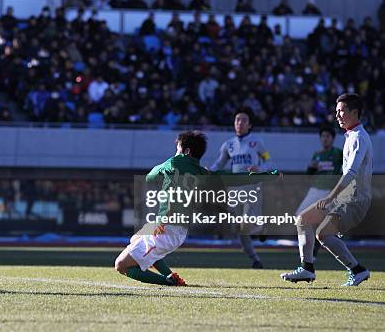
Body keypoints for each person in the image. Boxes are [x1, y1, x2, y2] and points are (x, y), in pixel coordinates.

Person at [281, 93, 373, 286]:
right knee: (303, 219)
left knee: (323, 233)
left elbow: (350, 174)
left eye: (341, 111)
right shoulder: (351, 136)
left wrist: (331, 197)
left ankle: (357, 270)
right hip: (345, 198)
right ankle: (307, 269)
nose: (337, 115)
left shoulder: (358, 138)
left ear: (355, 112)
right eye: (336, 111)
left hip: (355, 200)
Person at [114, 131, 209, 286]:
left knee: (121, 265)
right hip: (176, 229)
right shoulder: (203, 173)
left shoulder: (173, 163)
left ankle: (169, 282)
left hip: (165, 228)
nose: (175, 152)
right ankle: (171, 276)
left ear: (186, 151)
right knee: (136, 238)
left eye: (178, 148)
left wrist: (163, 169)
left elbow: (150, 177)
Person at [210, 107, 273, 268]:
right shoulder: (228, 145)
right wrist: (208, 172)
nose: (239, 122)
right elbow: (219, 163)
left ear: (250, 124)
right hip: (234, 190)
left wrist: (261, 169)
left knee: (246, 224)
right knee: (238, 227)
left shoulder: (257, 142)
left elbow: (268, 161)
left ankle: (261, 228)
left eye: (243, 120)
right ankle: (255, 259)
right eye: (237, 119)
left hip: (252, 186)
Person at [294, 125, 343, 260]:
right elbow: (309, 174)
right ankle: (311, 251)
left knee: (313, 220)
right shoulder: (317, 154)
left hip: (329, 191)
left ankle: (311, 253)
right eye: (323, 136)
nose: (325, 139)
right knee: (300, 216)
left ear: (333, 138)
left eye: (328, 136)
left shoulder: (338, 153)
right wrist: (310, 167)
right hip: (315, 189)